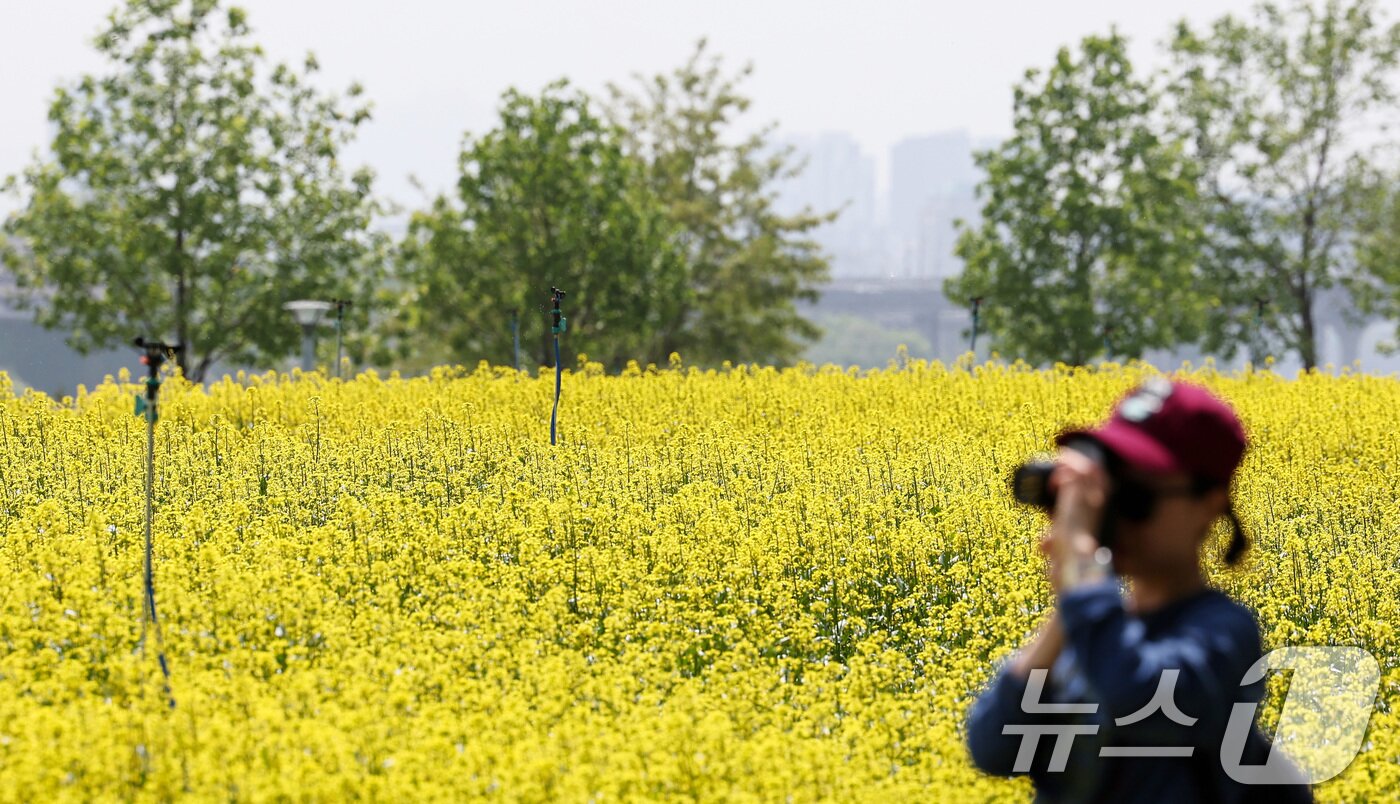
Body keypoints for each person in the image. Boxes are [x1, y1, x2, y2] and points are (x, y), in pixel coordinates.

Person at [964, 377, 1311, 802]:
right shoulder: (1092, 626)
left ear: (1208, 504)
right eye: (1113, 494)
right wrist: (1071, 600)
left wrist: (1083, 570)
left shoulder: (1223, 631)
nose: (1119, 518)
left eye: (1136, 498)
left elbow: (1136, 693)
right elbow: (994, 747)